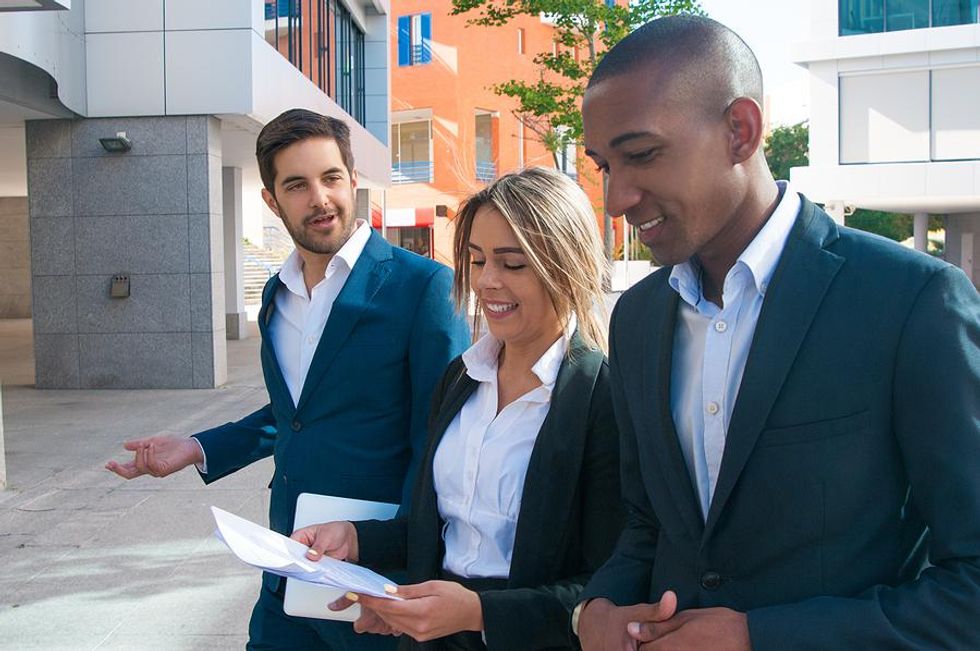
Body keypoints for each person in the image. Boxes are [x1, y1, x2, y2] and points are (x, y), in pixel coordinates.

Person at [574, 14, 980, 651]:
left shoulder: (912, 302)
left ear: (741, 130)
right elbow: (651, 524)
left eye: (643, 155)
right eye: (603, 165)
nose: (616, 198)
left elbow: (972, 586)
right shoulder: (638, 318)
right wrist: (599, 604)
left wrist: (759, 637)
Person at [105, 108, 471, 650]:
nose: (319, 199)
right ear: (272, 201)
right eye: (297, 185)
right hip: (287, 563)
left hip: (373, 576)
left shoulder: (424, 289)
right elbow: (295, 414)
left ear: (352, 179)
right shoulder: (276, 298)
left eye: (331, 178)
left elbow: (440, 442)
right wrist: (197, 446)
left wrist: (405, 561)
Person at [291, 167, 624, 650]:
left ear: (565, 266)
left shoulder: (602, 398)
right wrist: (357, 540)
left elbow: (605, 586)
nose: (487, 282)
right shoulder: (461, 377)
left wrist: (479, 613)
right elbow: (444, 531)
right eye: (476, 259)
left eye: (512, 264)